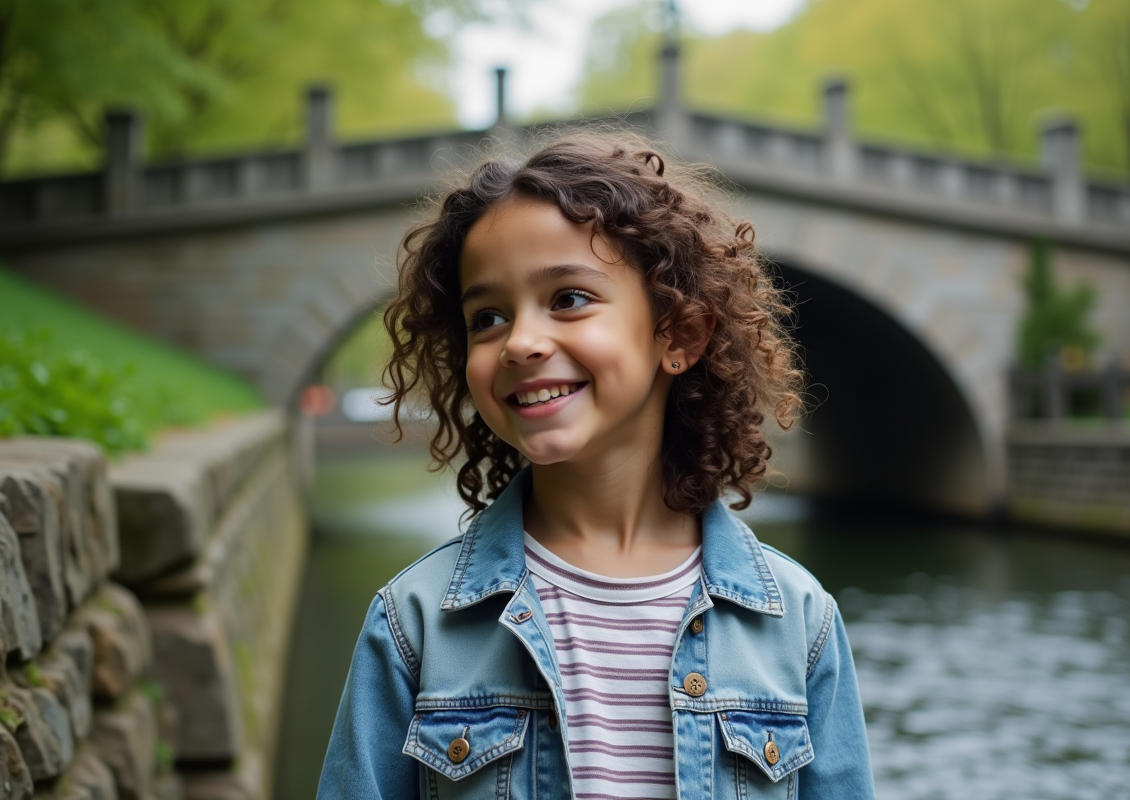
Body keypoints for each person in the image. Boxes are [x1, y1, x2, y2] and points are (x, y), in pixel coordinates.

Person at [316, 133, 875, 800]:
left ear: (680, 335)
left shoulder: (800, 624)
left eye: (568, 299)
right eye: (487, 317)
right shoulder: (413, 624)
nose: (521, 341)